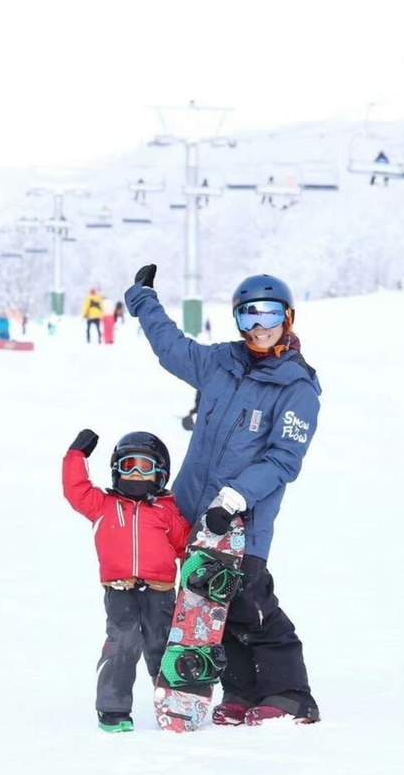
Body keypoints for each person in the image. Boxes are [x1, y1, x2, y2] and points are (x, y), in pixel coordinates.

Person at [126, 265, 323, 725]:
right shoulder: (220, 363)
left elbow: (283, 459)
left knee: (251, 600)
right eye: (247, 317)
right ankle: (239, 692)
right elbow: (171, 348)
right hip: (195, 513)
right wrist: (143, 300)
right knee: (211, 607)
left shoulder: (297, 387)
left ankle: (291, 695)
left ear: (288, 318)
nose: (258, 327)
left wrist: (234, 498)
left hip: (242, 520)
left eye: (268, 315)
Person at [63, 428, 188, 733]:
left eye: (144, 466)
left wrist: (193, 582)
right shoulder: (102, 505)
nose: (134, 473)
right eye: (128, 464)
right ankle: (113, 709)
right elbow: (75, 489)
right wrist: (76, 455)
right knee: (123, 644)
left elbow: (184, 545)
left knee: (162, 646)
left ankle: (176, 704)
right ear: (116, 469)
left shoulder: (167, 510)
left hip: (160, 592)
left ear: (160, 472)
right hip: (120, 590)